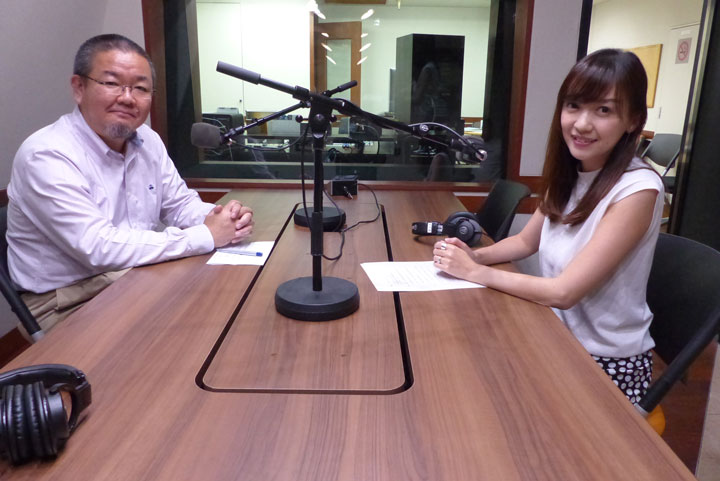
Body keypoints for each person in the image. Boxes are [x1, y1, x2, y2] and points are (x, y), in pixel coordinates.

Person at [431, 49, 664, 406]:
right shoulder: (572, 171)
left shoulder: (638, 190)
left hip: (604, 361)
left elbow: (564, 292)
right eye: (574, 106)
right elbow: (525, 241)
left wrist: (475, 272)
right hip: (554, 333)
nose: (581, 123)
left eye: (603, 110)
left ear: (633, 120)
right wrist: (473, 256)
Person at [6, 34, 254, 336]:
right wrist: (206, 235)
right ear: (79, 88)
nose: (127, 97)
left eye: (140, 88)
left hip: (134, 273)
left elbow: (179, 204)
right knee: (182, 338)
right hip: (66, 300)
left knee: (228, 309)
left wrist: (220, 217)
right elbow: (98, 248)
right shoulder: (46, 154)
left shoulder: (146, 139)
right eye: (112, 83)